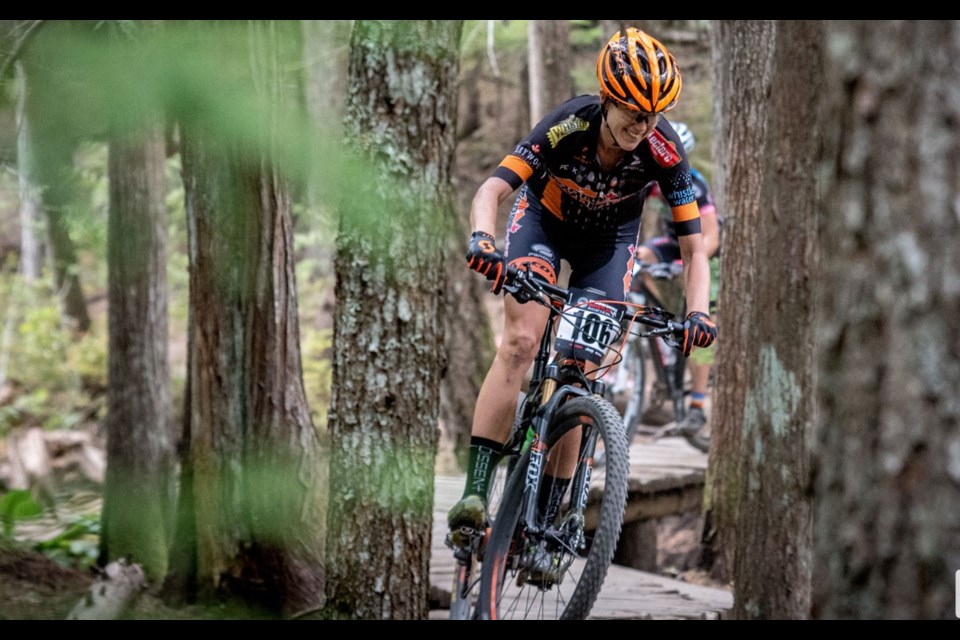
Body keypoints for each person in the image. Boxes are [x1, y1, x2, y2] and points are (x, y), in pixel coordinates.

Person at [448, 28, 717, 559]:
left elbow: (695, 249)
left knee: (582, 367)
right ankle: (475, 494)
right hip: (542, 225)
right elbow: (493, 189)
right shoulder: (568, 124)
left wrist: (698, 313)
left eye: (654, 115)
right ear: (608, 99)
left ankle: (546, 519)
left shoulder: (664, 153)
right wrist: (482, 238)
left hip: (608, 244)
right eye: (633, 113)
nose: (643, 127)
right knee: (521, 343)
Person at [633, 121, 721, 437]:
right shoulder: (648, 182)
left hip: (704, 249)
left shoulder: (694, 185)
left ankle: (697, 405)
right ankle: (655, 366)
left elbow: (709, 238)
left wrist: (687, 267)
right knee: (640, 258)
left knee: (699, 324)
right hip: (671, 243)